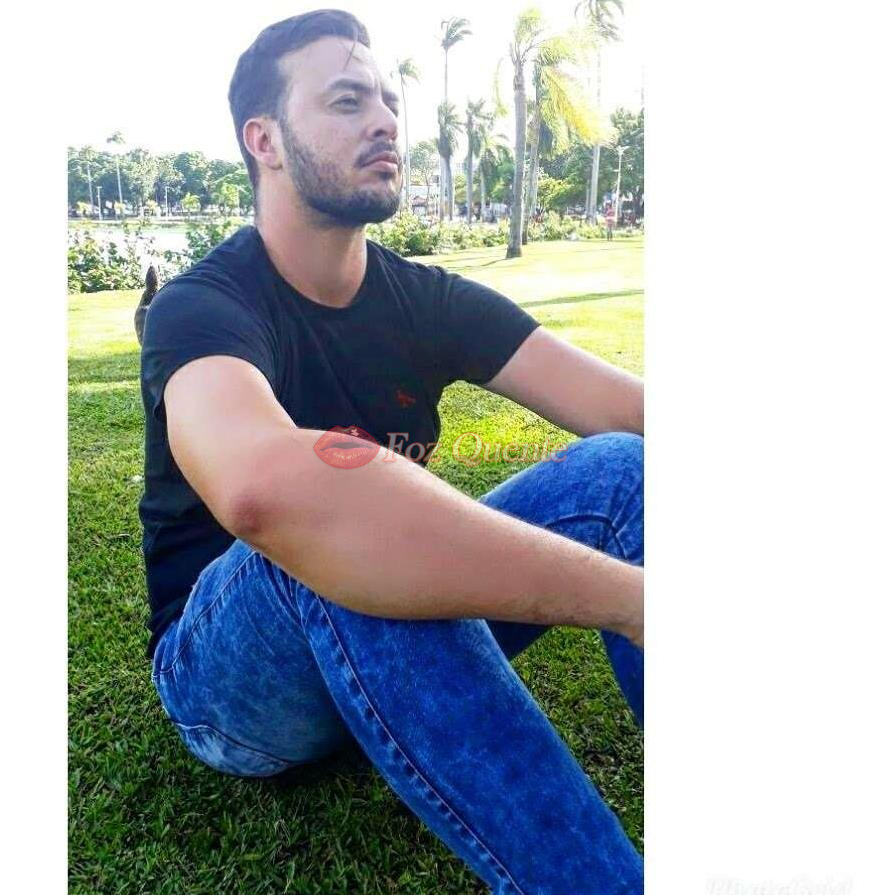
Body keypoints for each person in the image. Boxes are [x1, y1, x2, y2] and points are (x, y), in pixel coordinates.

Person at [138, 10, 644, 894]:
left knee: (624, 470)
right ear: (264, 140)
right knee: (340, 530)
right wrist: (635, 601)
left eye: (386, 102)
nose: (382, 121)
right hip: (230, 685)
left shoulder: (425, 299)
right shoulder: (204, 306)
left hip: (378, 642)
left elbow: (626, 410)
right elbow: (262, 490)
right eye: (346, 101)